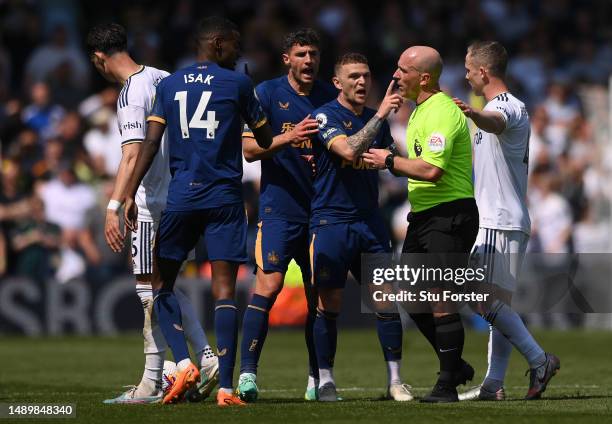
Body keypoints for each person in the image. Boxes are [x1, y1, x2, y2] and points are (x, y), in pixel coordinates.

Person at [123, 17, 272, 406]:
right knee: (225, 293)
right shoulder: (238, 82)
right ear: (218, 43)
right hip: (224, 198)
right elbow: (265, 137)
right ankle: (225, 387)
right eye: (235, 44)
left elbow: (150, 145)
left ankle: (185, 362)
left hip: (182, 198)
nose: (239, 52)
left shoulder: (169, 85)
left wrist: (128, 192)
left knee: (161, 286)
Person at [86, 22, 219, 404]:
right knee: (169, 286)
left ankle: (155, 380)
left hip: (152, 202)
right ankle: (206, 361)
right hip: (184, 198)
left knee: (149, 289)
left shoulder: (130, 93)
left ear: (99, 58)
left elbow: (131, 154)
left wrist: (114, 205)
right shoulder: (165, 77)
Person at [363, 46, 478, 403]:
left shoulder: (442, 111)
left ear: (424, 78)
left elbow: (431, 170)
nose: (395, 76)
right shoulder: (418, 111)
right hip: (425, 215)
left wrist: (389, 161)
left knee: (441, 300)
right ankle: (456, 365)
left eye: (402, 70)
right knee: (413, 299)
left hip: (450, 214)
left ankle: (447, 385)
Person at [453, 41, 560, 401]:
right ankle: (493, 384)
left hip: (499, 220)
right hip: (504, 219)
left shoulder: (507, 107)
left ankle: (539, 359)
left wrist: (472, 114)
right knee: (499, 307)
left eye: (468, 68)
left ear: (483, 72)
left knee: (481, 299)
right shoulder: (496, 107)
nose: (465, 74)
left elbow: (495, 123)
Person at [237, 28, 337, 402]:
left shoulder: (331, 97)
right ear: (286, 59)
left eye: (313, 53)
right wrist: (287, 139)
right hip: (280, 208)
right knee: (270, 285)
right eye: (300, 54)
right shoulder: (266, 94)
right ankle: (248, 374)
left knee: (319, 297)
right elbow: (249, 149)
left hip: (323, 211)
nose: (308, 60)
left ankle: (317, 377)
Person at [309, 53, 413, 402]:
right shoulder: (325, 115)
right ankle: (325, 380)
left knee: (386, 302)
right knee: (329, 303)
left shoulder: (375, 119)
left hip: (370, 220)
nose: (362, 82)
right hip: (331, 220)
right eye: (353, 76)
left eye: (366, 75)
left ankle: (395, 381)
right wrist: (381, 117)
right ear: (338, 82)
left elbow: (388, 161)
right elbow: (347, 151)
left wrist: (392, 160)